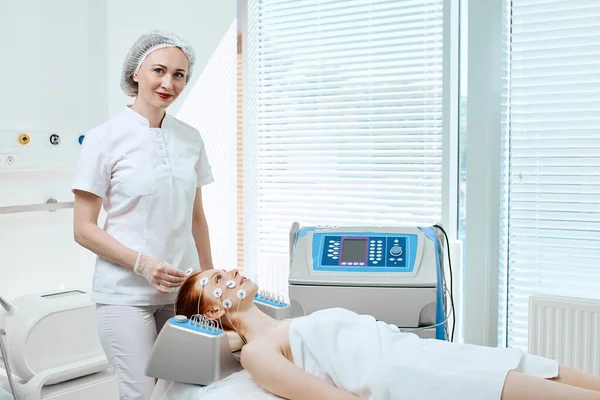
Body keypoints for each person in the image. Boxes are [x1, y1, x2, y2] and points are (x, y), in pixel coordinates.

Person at [176, 269, 600, 400]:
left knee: (577, 379)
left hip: (434, 355)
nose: (231, 272)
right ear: (213, 310)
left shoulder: (287, 324)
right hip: (422, 377)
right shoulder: (259, 353)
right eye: (217, 279)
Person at [72, 30, 215, 399]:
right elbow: (83, 229)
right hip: (124, 294)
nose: (168, 83)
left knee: (185, 390)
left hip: (180, 292)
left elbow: (196, 217)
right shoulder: (103, 138)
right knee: (141, 394)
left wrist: (207, 282)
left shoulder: (190, 138)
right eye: (159, 70)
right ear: (136, 73)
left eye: (179, 74)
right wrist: (143, 264)